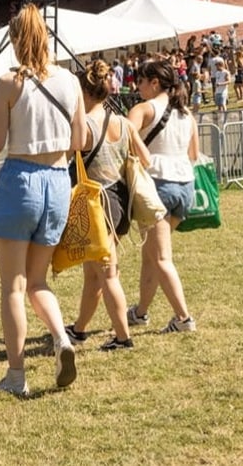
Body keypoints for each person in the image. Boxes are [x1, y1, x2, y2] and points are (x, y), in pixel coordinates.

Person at [0, 4, 88, 395]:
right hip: (58, 180)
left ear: (15, 40)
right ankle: (61, 338)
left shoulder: (8, 82)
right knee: (38, 280)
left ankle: (16, 376)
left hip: (21, 179)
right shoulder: (70, 81)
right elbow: (81, 141)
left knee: (12, 284)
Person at [66, 60, 154, 352]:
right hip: (120, 201)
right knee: (94, 274)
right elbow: (145, 158)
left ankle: (122, 337)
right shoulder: (123, 122)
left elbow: (68, 154)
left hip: (96, 205)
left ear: (85, 92)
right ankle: (79, 329)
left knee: (107, 273)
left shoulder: (85, 126)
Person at [126, 59, 199, 335]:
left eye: (141, 81)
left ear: (154, 82)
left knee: (161, 258)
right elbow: (194, 154)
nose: (138, 86)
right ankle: (141, 312)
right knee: (152, 255)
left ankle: (183, 317)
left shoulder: (143, 109)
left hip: (156, 184)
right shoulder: (186, 114)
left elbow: (124, 139)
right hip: (185, 185)